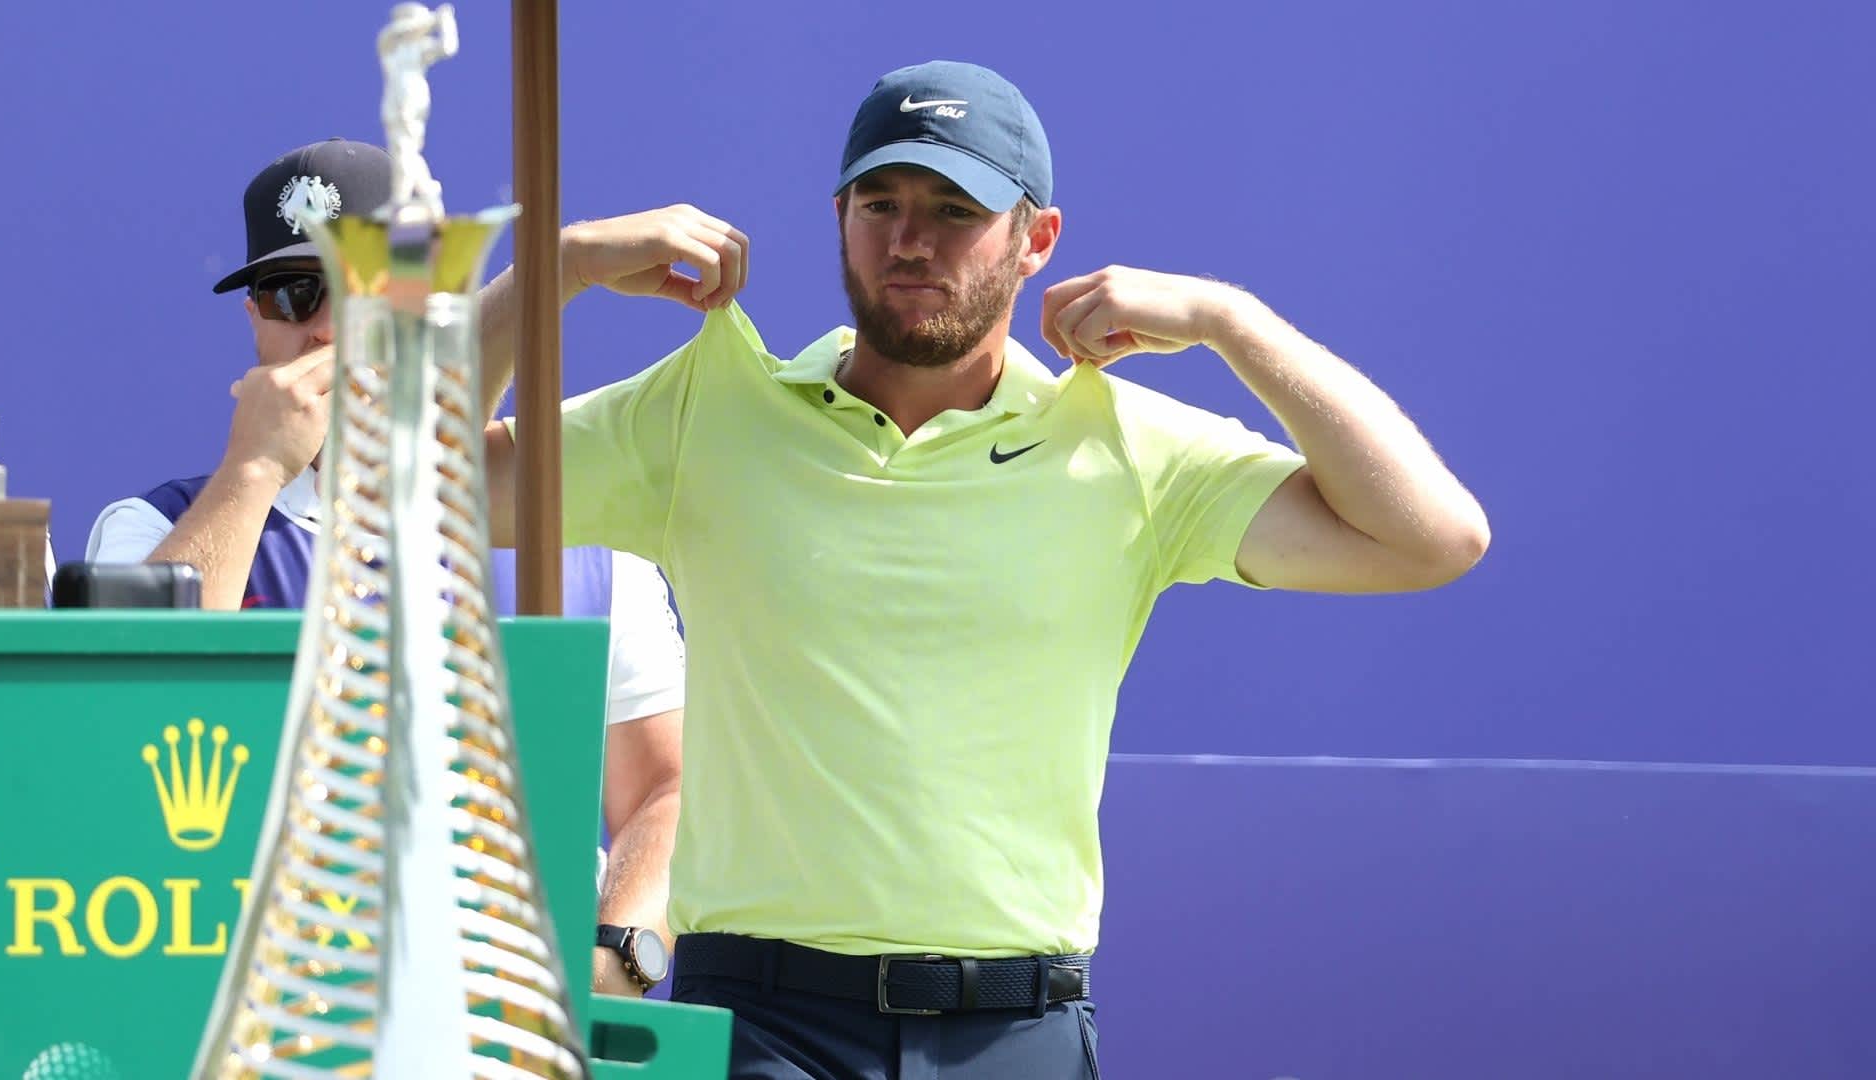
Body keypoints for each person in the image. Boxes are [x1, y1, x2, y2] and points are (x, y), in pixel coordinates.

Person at [482, 60, 1487, 1076]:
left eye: (955, 209)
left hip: (1019, 1030)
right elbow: (415, 476)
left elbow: (1432, 537)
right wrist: (556, 269)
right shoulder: (705, 408)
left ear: (1036, 240)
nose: (911, 240)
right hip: (762, 1027)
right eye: (882, 203)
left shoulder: (1126, 446)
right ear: (840, 216)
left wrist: (1235, 322)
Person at [83, 139, 686, 998]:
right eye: (294, 293)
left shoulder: (583, 541)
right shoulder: (156, 530)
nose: (327, 326)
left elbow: (663, 786)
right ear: (255, 319)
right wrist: (253, 472)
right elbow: (114, 754)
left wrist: (618, 954)